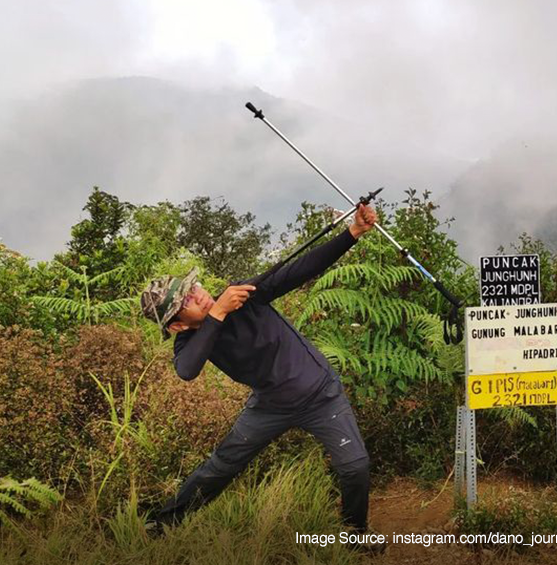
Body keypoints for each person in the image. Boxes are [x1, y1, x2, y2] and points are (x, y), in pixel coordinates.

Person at [139, 203, 383, 552]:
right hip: (269, 406)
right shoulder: (189, 339)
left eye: (192, 287)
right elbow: (187, 371)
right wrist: (218, 313)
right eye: (187, 299)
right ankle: (162, 524)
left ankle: (355, 537)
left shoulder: (243, 295)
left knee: (355, 467)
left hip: (320, 393)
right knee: (220, 467)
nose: (198, 293)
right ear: (177, 324)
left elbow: (298, 270)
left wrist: (353, 233)